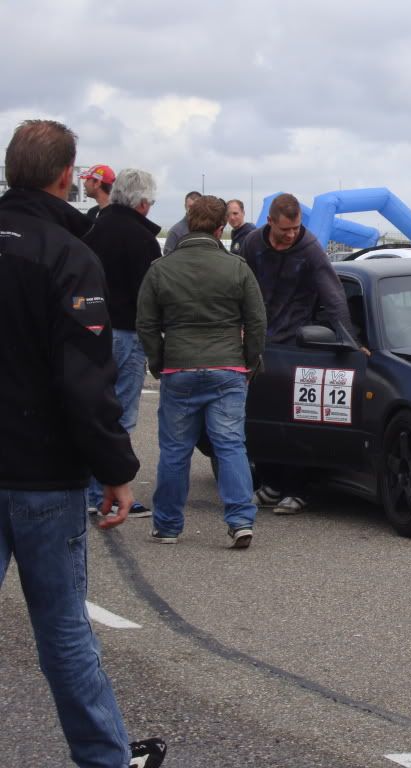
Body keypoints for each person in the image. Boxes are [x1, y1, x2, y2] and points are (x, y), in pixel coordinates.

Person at [0, 119, 166, 768]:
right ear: (66, 176)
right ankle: (103, 758)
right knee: (64, 629)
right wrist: (116, 469)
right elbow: (85, 381)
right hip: (43, 473)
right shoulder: (67, 253)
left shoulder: (70, 248)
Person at [137, 195, 267, 548]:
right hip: (227, 366)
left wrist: (158, 361)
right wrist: (249, 361)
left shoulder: (161, 269)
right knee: (230, 445)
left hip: (179, 365)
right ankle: (240, 520)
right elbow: (257, 320)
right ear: (221, 228)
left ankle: (167, 525)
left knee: (175, 450)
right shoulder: (237, 267)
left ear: (189, 221)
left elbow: (146, 323)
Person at [241, 192, 360, 515]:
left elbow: (334, 297)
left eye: (295, 229)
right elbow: (239, 285)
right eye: (285, 230)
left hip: (296, 345)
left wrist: (350, 341)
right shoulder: (251, 244)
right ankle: (270, 483)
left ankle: (296, 489)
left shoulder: (309, 248)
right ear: (270, 222)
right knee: (259, 418)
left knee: (294, 420)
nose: (291, 235)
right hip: (258, 344)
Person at [82, 168, 161, 519]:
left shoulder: (93, 229)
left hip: (92, 328)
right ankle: (108, 489)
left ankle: (88, 488)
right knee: (121, 415)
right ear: (142, 203)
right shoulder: (142, 239)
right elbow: (149, 295)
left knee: (92, 408)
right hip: (128, 331)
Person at [162, 189, 201, 255]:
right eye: (190, 207)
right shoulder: (175, 232)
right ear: (185, 207)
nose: (193, 210)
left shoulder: (210, 229)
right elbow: (167, 258)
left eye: (196, 207)